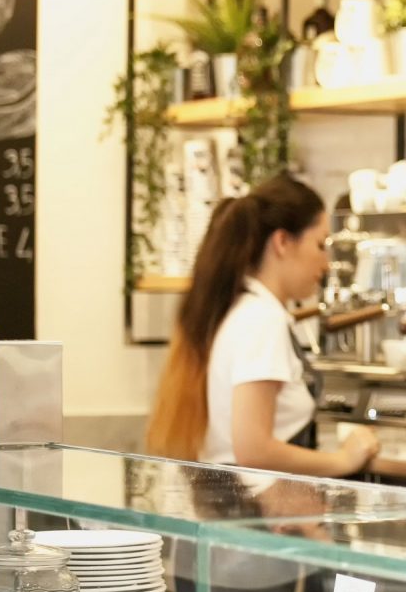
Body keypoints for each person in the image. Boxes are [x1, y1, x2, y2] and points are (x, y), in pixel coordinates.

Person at [146, 172, 379, 473]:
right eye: (320, 245)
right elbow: (254, 450)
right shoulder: (262, 319)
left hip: (231, 496)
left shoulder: (242, 309)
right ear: (282, 242)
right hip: (253, 501)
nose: (326, 264)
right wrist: (344, 459)